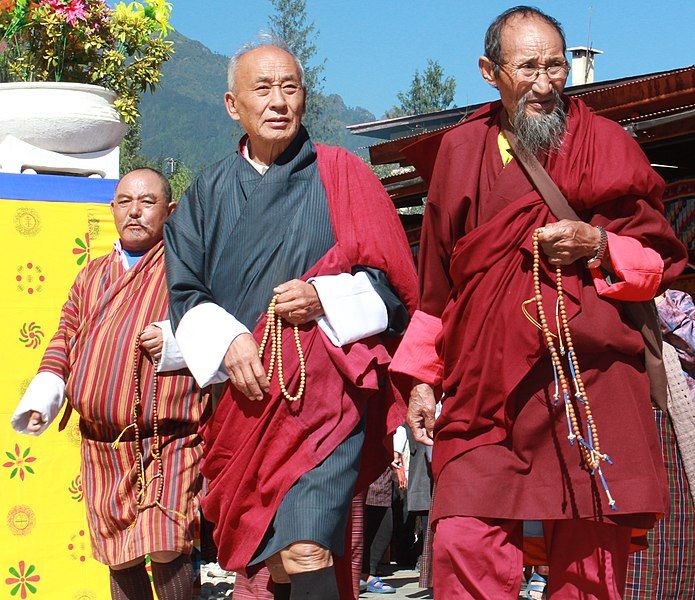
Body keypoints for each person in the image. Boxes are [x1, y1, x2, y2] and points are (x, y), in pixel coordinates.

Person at [390, 6, 687, 599]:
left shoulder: (606, 142)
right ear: (489, 71)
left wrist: (598, 242)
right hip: (486, 389)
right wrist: (422, 380)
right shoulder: (460, 151)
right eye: (528, 67)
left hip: (591, 383)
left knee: (589, 567)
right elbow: (438, 282)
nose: (546, 83)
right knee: (464, 536)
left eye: (555, 66)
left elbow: (658, 262)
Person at [163, 37, 417, 600]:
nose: (279, 101)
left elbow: (396, 287)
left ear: (305, 98)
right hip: (245, 403)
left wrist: (326, 297)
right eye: (263, 89)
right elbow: (183, 290)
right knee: (276, 559)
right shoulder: (206, 192)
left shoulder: (345, 176)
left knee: (309, 548)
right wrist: (228, 340)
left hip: (323, 404)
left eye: (290, 87)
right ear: (234, 105)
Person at [11, 168, 205, 600]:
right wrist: (47, 392)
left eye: (147, 202)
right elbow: (65, 334)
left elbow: (217, 327)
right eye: (124, 202)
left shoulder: (187, 270)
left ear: (169, 211)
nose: (134, 211)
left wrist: (174, 342)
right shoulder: (91, 276)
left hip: (167, 439)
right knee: (119, 553)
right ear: (112, 208)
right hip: (101, 444)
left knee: (166, 541)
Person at [624, 289, 695, 598]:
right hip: (624, 438)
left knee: (676, 548)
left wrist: (651, 299)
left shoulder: (673, 301)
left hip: (673, 435)